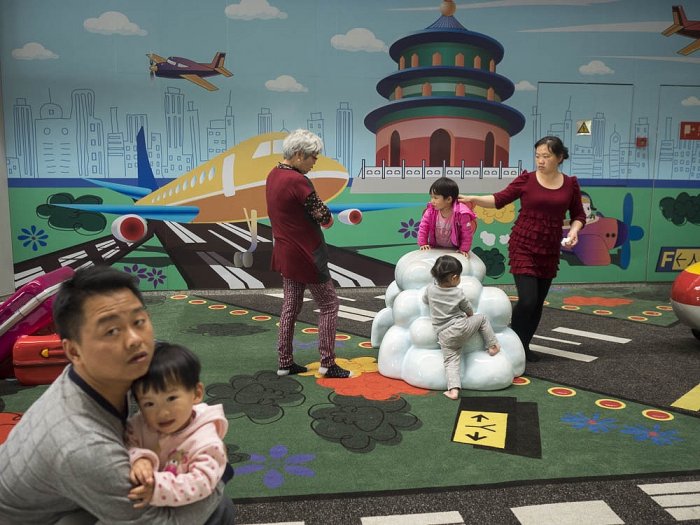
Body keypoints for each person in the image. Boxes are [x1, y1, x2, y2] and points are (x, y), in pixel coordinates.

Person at [0, 265, 235, 524]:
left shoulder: (97, 372)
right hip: (44, 515)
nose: (135, 339)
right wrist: (220, 473)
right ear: (73, 351)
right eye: (111, 331)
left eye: (138, 321)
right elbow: (164, 522)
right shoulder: (84, 446)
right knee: (217, 506)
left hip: (60, 495)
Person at [459, 136, 586, 363]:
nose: (540, 161)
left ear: (559, 157)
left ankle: (524, 346)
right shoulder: (526, 179)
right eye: (538, 156)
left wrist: (574, 231)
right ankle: (513, 343)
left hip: (549, 249)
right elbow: (500, 199)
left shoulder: (570, 184)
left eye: (546, 156)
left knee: (538, 303)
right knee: (527, 300)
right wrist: (475, 198)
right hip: (523, 244)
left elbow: (579, 215)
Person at [265, 129, 351, 379]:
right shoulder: (298, 181)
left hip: (286, 252)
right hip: (308, 254)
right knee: (329, 305)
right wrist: (328, 217)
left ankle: (285, 362)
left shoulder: (273, 174)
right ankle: (327, 363)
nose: (315, 161)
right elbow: (323, 217)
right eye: (313, 156)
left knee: (290, 306)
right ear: (300, 154)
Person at [126, 342, 228, 509]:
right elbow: (124, 443)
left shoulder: (206, 440)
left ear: (196, 393)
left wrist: (158, 488)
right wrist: (139, 457)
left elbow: (202, 482)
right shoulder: (141, 424)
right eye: (149, 404)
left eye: (171, 399)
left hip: (192, 511)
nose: (162, 413)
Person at [422, 255, 500, 400]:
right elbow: (467, 308)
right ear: (454, 278)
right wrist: (470, 314)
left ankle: (453, 390)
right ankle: (492, 345)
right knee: (482, 318)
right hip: (460, 327)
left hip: (443, 335)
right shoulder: (457, 292)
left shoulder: (430, 290)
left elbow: (425, 300)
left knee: (451, 361)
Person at [418, 177, 477, 258]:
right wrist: (423, 243)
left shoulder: (461, 213)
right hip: (437, 248)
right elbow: (423, 227)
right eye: (431, 197)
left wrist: (464, 249)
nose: (432, 201)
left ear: (448, 199)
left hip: (455, 249)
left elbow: (467, 233)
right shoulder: (431, 211)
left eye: (435, 197)